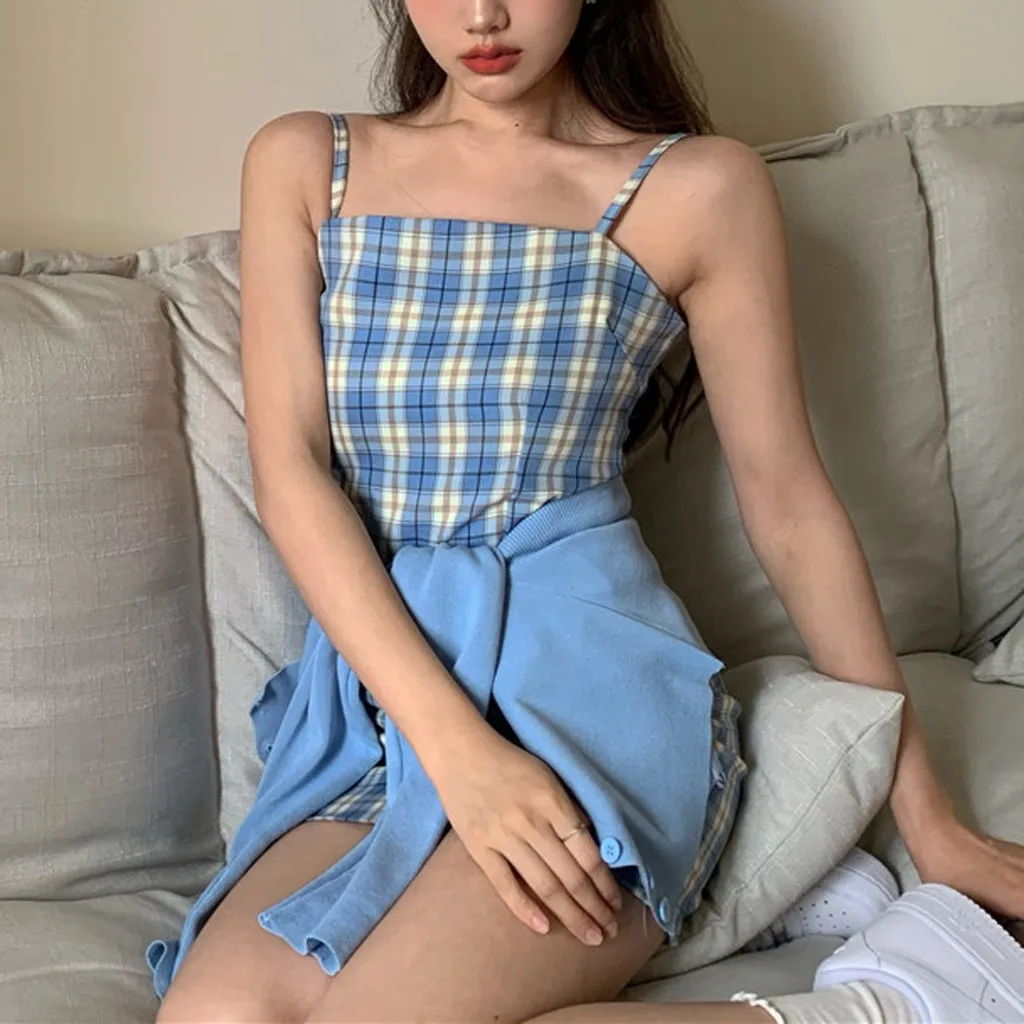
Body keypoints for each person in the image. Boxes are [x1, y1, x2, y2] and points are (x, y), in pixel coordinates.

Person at [150, 1, 1024, 1020]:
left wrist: (927, 819)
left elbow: (789, 509)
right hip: (381, 713)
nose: (483, 14)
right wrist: (461, 756)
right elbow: (290, 472)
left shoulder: (696, 188)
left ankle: (907, 997)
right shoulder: (306, 162)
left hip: (591, 701)